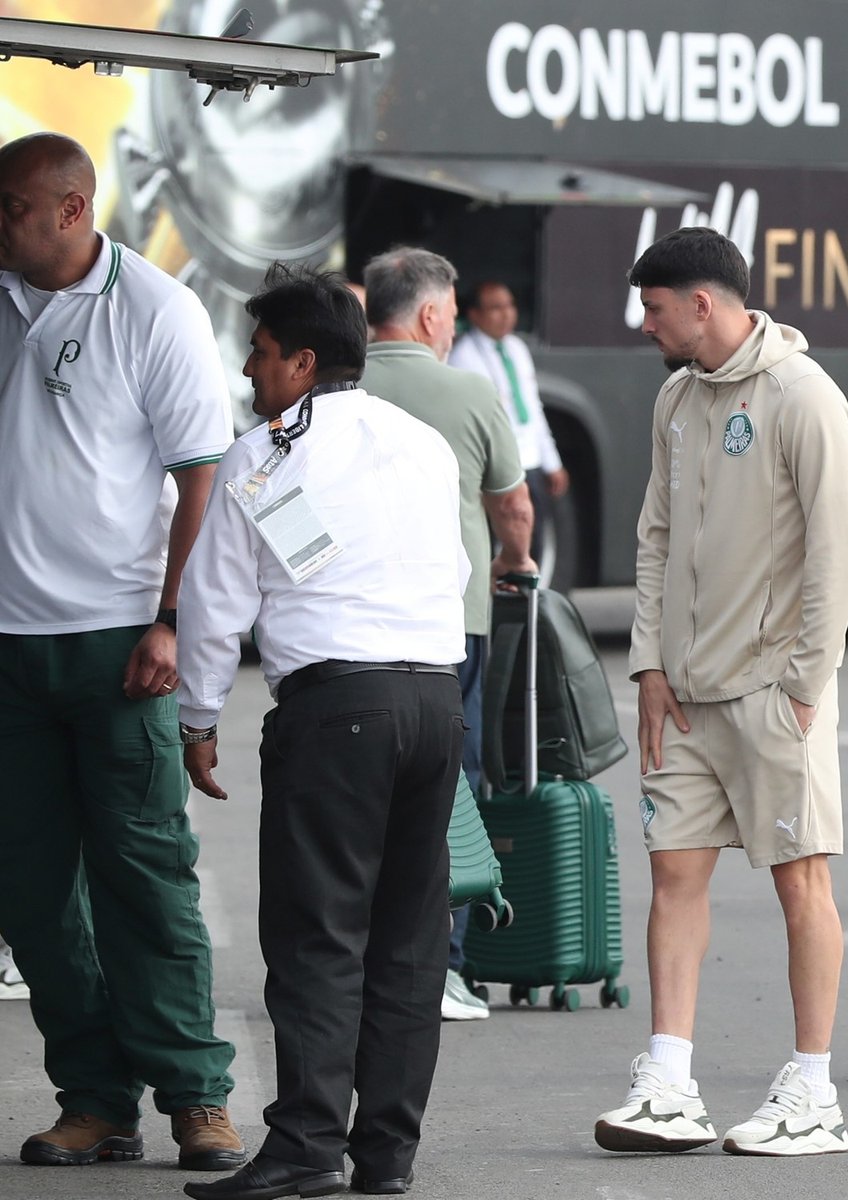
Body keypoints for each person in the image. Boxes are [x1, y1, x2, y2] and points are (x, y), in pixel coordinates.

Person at [176, 265, 469, 1200]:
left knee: (317, 936)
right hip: (435, 702)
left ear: (303, 362)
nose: (249, 372)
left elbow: (215, 601)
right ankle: (385, 1155)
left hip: (337, 708)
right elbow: (456, 565)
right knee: (408, 943)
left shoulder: (263, 456)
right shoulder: (422, 443)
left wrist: (197, 717)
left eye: (260, 354)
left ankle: (305, 1146)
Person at [0, 131, 244, 1172]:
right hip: (9, 647)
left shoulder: (154, 309)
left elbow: (204, 481)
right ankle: (95, 1101)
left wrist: (173, 618)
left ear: (71, 209)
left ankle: (196, 1097)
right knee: (30, 893)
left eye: (10, 208)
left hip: (119, 644)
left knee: (145, 877)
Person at [594, 226, 848, 1156]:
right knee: (674, 875)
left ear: (701, 305)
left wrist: (805, 684)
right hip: (684, 695)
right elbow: (656, 537)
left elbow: (838, 549)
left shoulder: (803, 395)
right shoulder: (675, 398)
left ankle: (814, 1092)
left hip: (772, 693)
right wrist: (649, 664)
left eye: (654, 308)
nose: (645, 324)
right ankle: (669, 1083)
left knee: (801, 882)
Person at [362, 247, 535, 1022]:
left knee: (356, 796)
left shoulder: (335, 383)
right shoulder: (468, 390)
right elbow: (513, 505)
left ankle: (357, 963)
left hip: (349, 631)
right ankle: (441, 966)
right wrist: (513, 561)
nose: (456, 325)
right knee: (449, 792)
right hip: (449, 625)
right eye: (454, 313)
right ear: (430, 314)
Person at [448, 280, 570, 566]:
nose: (506, 314)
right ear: (474, 315)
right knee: (495, 539)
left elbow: (532, 408)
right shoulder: (463, 356)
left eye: (510, 306)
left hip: (529, 460)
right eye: (496, 308)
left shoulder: (516, 348)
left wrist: (551, 461)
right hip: (497, 464)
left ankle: (530, 590)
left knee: (534, 536)